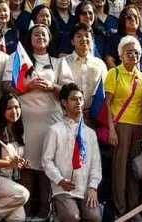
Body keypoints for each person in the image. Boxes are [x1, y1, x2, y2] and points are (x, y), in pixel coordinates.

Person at [2, 23, 59, 218]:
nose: (40, 37)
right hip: (24, 120)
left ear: (49, 38)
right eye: (36, 34)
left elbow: (69, 91)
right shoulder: (17, 58)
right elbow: (6, 85)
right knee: (26, 162)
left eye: (44, 34)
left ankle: (44, 208)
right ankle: (25, 208)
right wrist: (27, 86)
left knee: (45, 163)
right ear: (30, 37)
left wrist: (52, 86)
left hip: (50, 122)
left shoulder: (57, 61)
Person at [41, 84, 101, 222]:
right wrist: (60, 180)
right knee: (71, 217)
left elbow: (96, 164)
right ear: (64, 102)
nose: (79, 102)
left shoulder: (90, 133)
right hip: (62, 189)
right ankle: (56, 213)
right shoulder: (54, 130)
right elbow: (46, 161)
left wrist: (93, 187)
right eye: (74, 99)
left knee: (94, 218)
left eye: (81, 99)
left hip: (84, 188)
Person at [103, 35, 142, 217]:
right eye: (129, 52)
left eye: (136, 52)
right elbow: (107, 103)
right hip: (120, 126)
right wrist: (111, 128)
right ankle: (120, 210)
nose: (133, 56)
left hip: (139, 127)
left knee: (134, 168)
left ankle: (133, 208)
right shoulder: (115, 73)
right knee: (119, 169)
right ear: (121, 54)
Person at [0, 94, 31, 222]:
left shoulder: (18, 132)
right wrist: (9, 163)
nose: (14, 111)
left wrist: (22, 164)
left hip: (9, 181)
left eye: (16, 107)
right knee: (23, 194)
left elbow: (14, 162)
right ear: (2, 110)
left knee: (19, 218)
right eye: (9, 108)